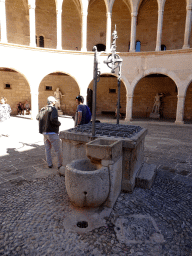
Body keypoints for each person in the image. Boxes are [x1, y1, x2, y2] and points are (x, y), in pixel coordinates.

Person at [36, 96, 62, 169]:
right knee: (58, 149)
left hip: (45, 132)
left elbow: (37, 117)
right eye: (54, 101)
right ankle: (60, 164)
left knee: (47, 149)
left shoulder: (43, 109)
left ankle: (49, 164)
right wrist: (58, 124)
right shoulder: (53, 109)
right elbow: (53, 119)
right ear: (53, 102)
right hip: (52, 132)